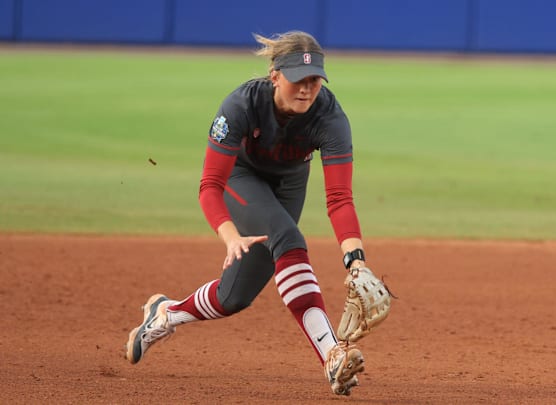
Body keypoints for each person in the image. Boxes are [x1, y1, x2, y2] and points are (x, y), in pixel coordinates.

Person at [125, 31, 372, 396]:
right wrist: (230, 236)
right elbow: (210, 184)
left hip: (289, 183)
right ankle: (333, 355)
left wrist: (356, 261)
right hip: (241, 177)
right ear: (275, 75)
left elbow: (339, 198)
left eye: (314, 80)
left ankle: (165, 314)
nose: (306, 88)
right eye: (297, 79)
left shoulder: (330, 116)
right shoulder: (241, 105)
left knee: (234, 296)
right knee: (289, 240)